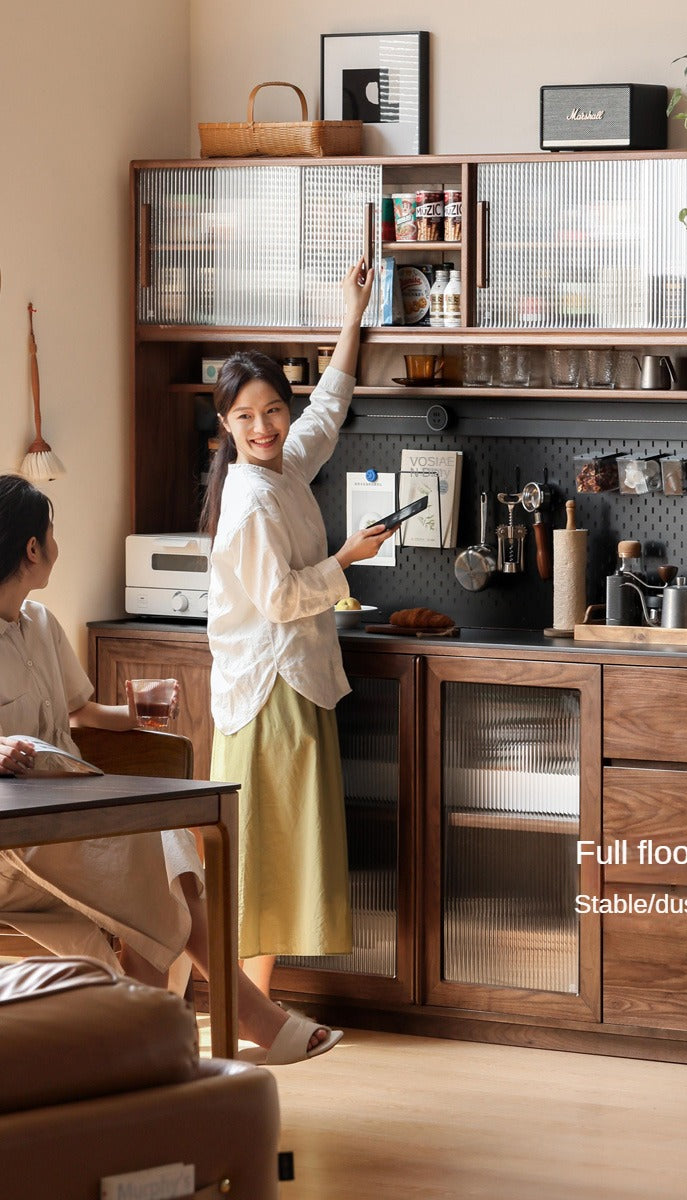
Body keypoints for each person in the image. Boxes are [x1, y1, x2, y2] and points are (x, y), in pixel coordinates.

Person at [0, 473, 338, 1063]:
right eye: (51, 535)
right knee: (147, 855)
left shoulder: (42, 624)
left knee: (172, 840)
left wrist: (133, 714)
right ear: (33, 548)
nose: (57, 544)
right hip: (14, 840)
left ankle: (153, 1042)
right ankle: (220, 1022)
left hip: (72, 810)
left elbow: (80, 712)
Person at [201, 258, 392, 997]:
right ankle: (243, 1009)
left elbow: (328, 413)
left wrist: (353, 316)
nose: (263, 426)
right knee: (263, 860)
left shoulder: (282, 467)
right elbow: (280, 600)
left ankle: (253, 1005)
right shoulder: (250, 502)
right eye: (244, 417)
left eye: (272, 411)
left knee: (276, 855)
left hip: (294, 685)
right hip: (268, 694)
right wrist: (347, 557)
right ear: (225, 424)